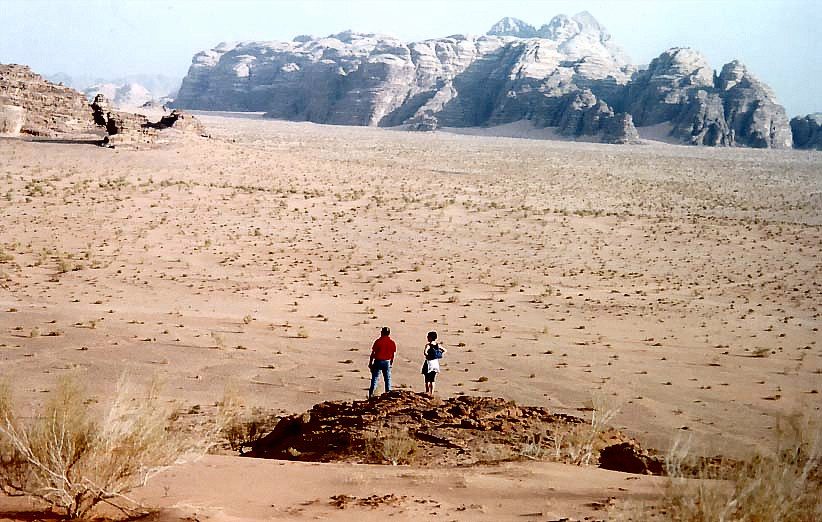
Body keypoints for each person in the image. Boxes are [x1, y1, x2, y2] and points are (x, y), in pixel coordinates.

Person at [368, 326, 396, 398]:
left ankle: (371, 394)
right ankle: (388, 394)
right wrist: (391, 363)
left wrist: (370, 362)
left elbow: (373, 353)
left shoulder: (378, 341)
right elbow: (393, 354)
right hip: (387, 361)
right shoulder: (392, 342)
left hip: (378, 361)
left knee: (375, 378)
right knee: (387, 379)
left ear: (382, 333)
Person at [421, 331, 446, 395]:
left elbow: (425, 352)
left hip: (429, 363)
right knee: (432, 379)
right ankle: (431, 393)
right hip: (435, 363)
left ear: (430, 337)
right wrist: (438, 353)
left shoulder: (428, 345)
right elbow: (444, 350)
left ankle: (427, 391)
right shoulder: (437, 345)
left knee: (427, 379)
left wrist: (428, 355)